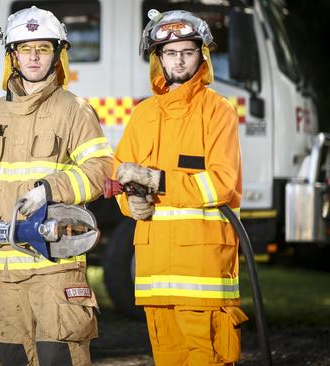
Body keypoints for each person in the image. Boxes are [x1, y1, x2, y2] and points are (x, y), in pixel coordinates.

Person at [0, 6, 113, 366]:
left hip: (54, 265)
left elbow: (101, 169)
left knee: (58, 356)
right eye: (25, 49)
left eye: (43, 48)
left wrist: (50, 190)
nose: (34, 57)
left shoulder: (75, 110)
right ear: (13, 56)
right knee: (13, 359)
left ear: (57, 54)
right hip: (6, 272)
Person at [113, 9, 249, 366]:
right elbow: (119, 174)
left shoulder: (218, 111)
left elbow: (220, 184)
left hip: (202, 271)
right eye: (170, 53)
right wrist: (131, 204)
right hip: (154, 272)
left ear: (201, 56)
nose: (179, 59)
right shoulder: (143, 114)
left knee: (207, 357)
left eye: (187, 51)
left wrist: (155, 181)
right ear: (158, 58)